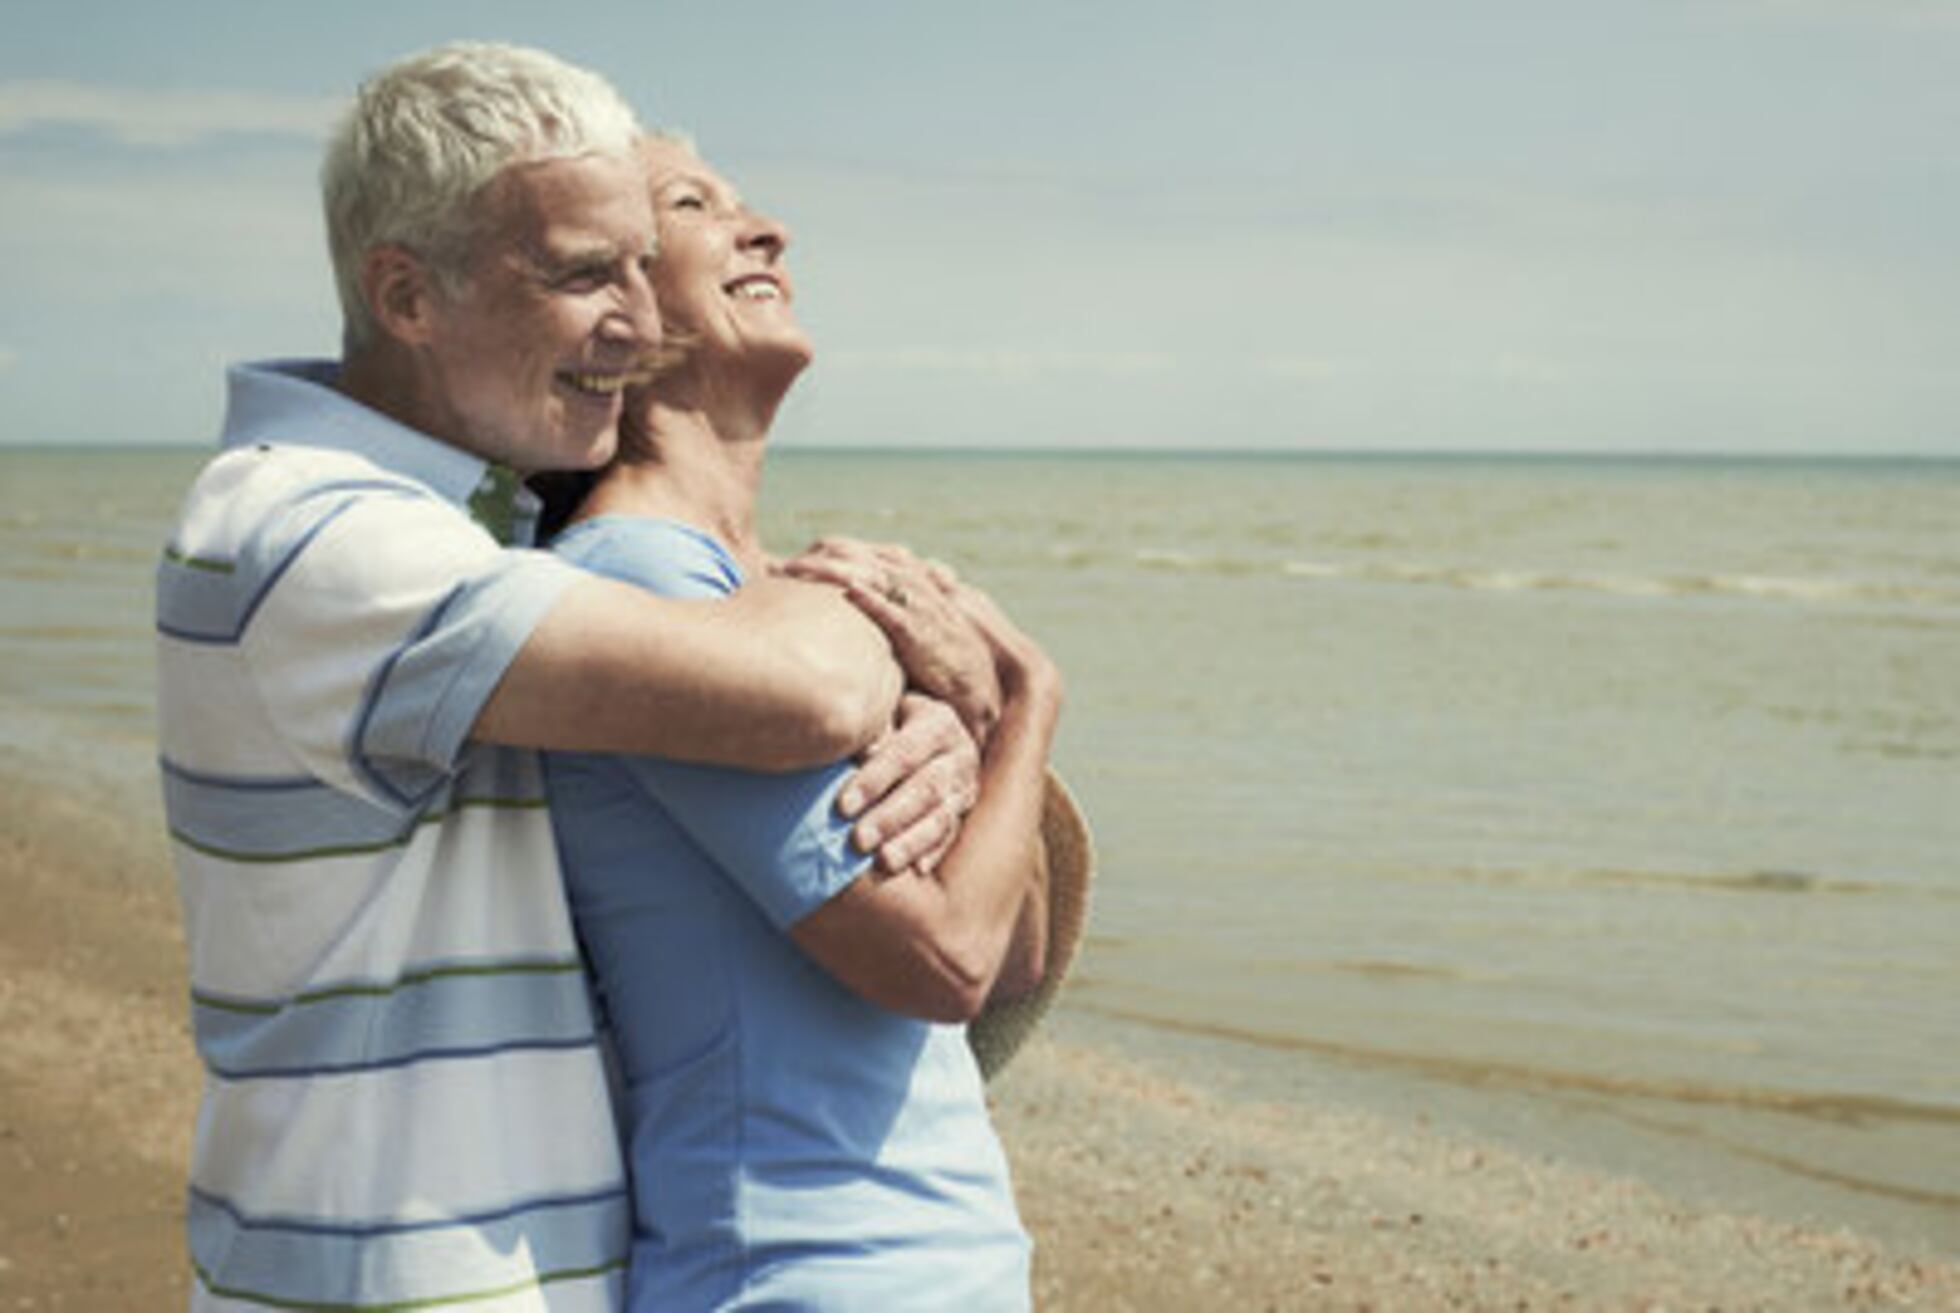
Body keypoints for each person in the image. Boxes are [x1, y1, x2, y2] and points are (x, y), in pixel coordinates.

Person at [154, 45, 976, 1312]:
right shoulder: (307, 529)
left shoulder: (494, 537)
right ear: (406, 294)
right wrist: (927, 630)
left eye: (645, 267)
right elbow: (800, 694)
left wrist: (943, 721)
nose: (642, 327)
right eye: (586, 273)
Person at [539, 134, 1060, 1311]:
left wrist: (972, 728)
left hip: (925, 1261)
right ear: (610, 308)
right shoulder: (645, 588)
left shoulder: (776, 614)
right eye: (694, 204)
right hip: (800, 1271)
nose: (765, 228)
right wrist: (1030, 706)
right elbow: (943, 958)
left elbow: (1016, 952)